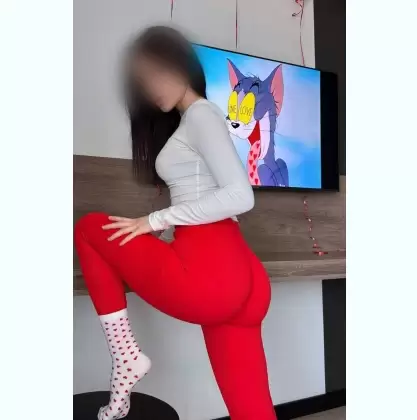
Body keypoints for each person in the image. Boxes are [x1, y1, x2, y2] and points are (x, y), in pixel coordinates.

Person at [74, 26, 276, 420]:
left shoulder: (201, 114)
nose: (149, 90)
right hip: (238, 274)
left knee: (89, 229)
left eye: (152, 75)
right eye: (141, 84)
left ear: (179, 64)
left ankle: (125, 356)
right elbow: (209, 195)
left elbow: (240, 195)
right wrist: (166, 229)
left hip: (211, 273)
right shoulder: (196, 119)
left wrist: (154, 220)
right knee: (253, 412)